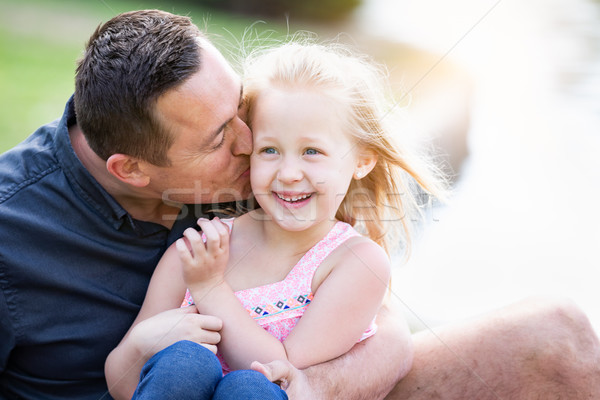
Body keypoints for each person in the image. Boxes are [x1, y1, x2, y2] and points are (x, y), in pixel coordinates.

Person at [0, 8, 598, 400]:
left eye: (241, 110)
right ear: (131, 170)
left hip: (280, 387)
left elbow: (379, 325)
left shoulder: (270, 179)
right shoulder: (12, 236)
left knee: (557, 336)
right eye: (219, 139)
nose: (249, 145)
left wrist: (314, 384)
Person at [106, 40, 444, 399]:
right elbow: (121, 379)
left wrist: (209, 289)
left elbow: (279, 371)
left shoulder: (356, 263)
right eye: (269, 150)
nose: (288, 173)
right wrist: (144, 342)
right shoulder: (199, 250)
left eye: (311, 151)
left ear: (363, 160)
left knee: (251, 388)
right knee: (185, 362)